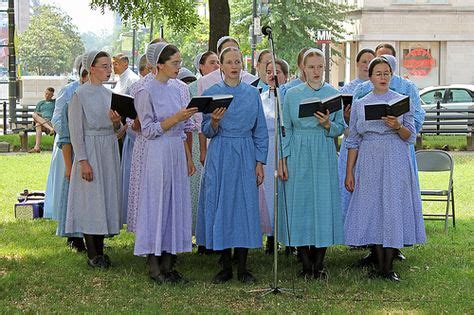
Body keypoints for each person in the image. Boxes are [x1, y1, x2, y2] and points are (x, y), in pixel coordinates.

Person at [344, 57, 426, 282]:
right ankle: (378, 263)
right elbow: (353, 141)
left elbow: (411, 136)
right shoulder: (360, 103)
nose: (382, 77)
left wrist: (398, 126)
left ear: (391, 75)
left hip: (395, 156)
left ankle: (388, 267)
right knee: (374, 207)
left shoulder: (402, 101)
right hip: (369, 158)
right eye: (378, 73)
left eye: (386, 73)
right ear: (370, 78)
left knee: (392, 207)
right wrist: (349, 172)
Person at [196, 46, 268, 284]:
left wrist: (260, 162)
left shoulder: (252, 93)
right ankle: (225, 266)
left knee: (245, 206)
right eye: (229, 62)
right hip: (221, 153)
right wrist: (215, 123)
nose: (234, 66)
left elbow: (260, 131)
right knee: (222, 204)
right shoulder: (213, 92)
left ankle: (244, 266)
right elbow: (206, 130)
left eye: (238, 61)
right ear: (222, 67)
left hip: (245, 151)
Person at [133, 42, 197, 284]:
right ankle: (154, 266)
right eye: (174, 63)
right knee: (157, 203)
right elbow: (147, 130)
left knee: (174, 203)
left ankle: (170, 264)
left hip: (175, 151)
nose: (178, 67)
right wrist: (175, 118)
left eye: (180, 62)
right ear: (159, 65)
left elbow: (182, 130)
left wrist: (189, 157)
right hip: (157, 151)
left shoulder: (177, 89)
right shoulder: (145, 90)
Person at [278, 48, 344, 279]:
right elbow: (284, 129)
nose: (316, 71)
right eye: (311, 67)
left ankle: (319, 263)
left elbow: (340, 127)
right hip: (298, 150)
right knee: (301, 203)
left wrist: (328, 125)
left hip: (323, 150)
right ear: (303, 69)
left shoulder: (332, 93)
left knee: (322, 202)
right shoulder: (292, 94)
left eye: (320, 66)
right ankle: (305, 263)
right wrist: (283, 159)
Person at [65, 51, 123, 268]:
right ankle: (92, 254)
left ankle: (100, 249)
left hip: (107, 149)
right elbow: (76, 131)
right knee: (91, 198)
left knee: (104, 197)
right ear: (92, 68)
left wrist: (117, 123)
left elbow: (117, 131)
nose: (109, 70)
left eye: (110, 66)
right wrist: (83, 160)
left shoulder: (110, 95)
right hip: (90, 148)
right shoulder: (80, 95)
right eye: (104, 66)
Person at [53, 57, 89, 251]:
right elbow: (58, 119)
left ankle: (90, 234)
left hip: (91, 148)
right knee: (72, 191)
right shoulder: (69, 92)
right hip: (73, 149)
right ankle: (73, 237)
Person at [338, 49, 375, 219]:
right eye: (364, 62)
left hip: (372, 143)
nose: (367, 65)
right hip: (352, 140)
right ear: (357, 64)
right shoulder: (349, 88)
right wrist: (346, 116)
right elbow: (339, 120)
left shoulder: (378, 87)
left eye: (370, 62)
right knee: (350, 184)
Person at [260, 58, 289, 254]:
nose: (272, 75)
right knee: (269, 193)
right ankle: (270, 237)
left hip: (284, 147)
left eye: (277, 71)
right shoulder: (259, 98)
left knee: (285, 192)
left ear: (285, 76)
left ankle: (289, 239)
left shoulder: (289, 97)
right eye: (269, 71)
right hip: (267, 147)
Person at [29, 87, 55, 153]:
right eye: (46, 94)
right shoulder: (41, 103)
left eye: (49, 94)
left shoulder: (55, 102)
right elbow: (36, 114)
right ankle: (37, 147)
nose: (47, 96)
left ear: (52, 95)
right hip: (43, 121)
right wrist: (40, 114)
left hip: (50, 122)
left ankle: (37, 147)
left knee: (38, 125)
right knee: (34, 116)